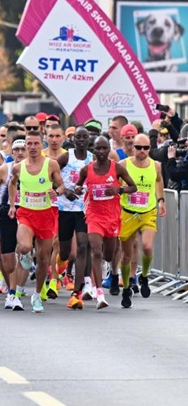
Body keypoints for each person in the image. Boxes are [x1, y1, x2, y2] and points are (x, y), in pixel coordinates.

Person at [74, 136, 137, 310]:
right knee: (95, 251)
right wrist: (78, 188)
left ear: (108, 150)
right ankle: (99, 292)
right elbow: (77, 186)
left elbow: (133, 187)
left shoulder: (117, 168)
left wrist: (119, 189)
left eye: (104, 149)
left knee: (108, 256)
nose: (101, 152)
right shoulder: (87, 170)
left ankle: (106, 270)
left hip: (112, 216)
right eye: (97, 149)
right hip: (94, 215)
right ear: (93, 150)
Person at [7, 130, 66, 313]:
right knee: (24, 246)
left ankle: (37, 294)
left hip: (45, 215)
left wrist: (57, 192)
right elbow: (11, 183)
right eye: (29, 144)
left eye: (35, 144)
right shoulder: (18, 167)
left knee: (43, 260)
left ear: (42, 145)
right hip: (26, 213)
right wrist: (12, 205)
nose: (32, 148)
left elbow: (62, 185)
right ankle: (24, 255)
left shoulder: (51, 164)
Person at [119, 133, 165, 308]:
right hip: (128, 212)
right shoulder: (123, 165)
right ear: (132, 147)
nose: (142, 151)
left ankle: (144, 276)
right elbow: (115, 185)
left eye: (146, 148)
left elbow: (159, 181)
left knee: (147, 246)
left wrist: (161, 200)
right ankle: (126, 288)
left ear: (149, 149)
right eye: (138, 147)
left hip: (147, 212)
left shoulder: (156, 166)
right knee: (126, 255)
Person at [0, 138, 27, 311]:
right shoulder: (5, 169)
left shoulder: (35, 169)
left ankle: (15, 292)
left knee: (24, 248)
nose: (19, 152)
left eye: (23, 149)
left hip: (28, 212)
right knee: (8, 260)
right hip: (6, 213)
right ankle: (11, 289)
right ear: (11, 152)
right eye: (16, 149)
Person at [57, 127, 93, 308]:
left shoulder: (92, 159)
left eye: (84, 137)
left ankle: (76, 292)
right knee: (65, 253)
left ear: (89, 140)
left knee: (83, 246)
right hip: (64, 208)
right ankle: (60, 267)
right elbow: (52, 174)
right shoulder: (66, 157)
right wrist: (65, 190)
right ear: (73, 139)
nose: (81, 140)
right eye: (78, 137)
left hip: (84, 209)